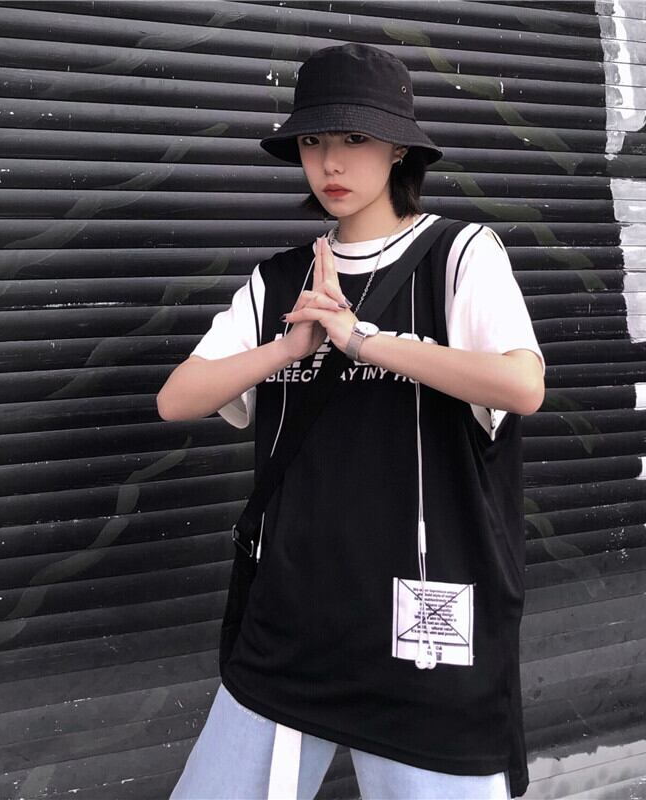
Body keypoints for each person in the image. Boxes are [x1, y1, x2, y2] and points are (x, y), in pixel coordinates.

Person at [158, 42, 544, 800]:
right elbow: (177, 399)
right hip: (294, 624)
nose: (330, 162)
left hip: (427, 632)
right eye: (313, 141)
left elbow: (521, 385)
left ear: (398, 149)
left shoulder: (457, 253)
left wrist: (362, 340)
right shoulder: (280, 281)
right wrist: (289, 346)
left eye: (355, 138)